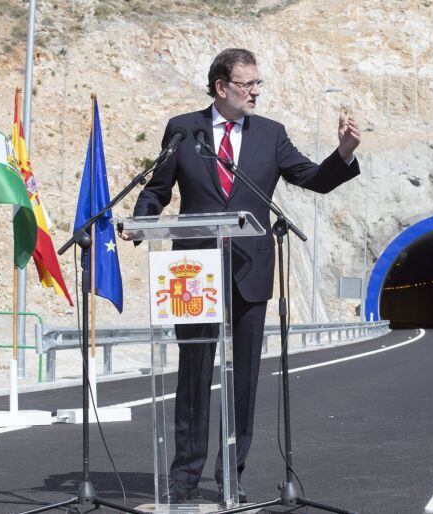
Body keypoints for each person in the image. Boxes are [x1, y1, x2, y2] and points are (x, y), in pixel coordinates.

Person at [124, 48, 361, 503]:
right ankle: (184, 476)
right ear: (221, 87)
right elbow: (156, 190)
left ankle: (231, 472)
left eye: (258, 84)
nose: (256, 92)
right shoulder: (184, 128)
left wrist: (343, 154)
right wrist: (143, 222)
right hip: (193, 271)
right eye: (247, 84)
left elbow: (312, 177)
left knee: (245, 377)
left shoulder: (270, 135)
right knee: (193, 374)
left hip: (250, 269)